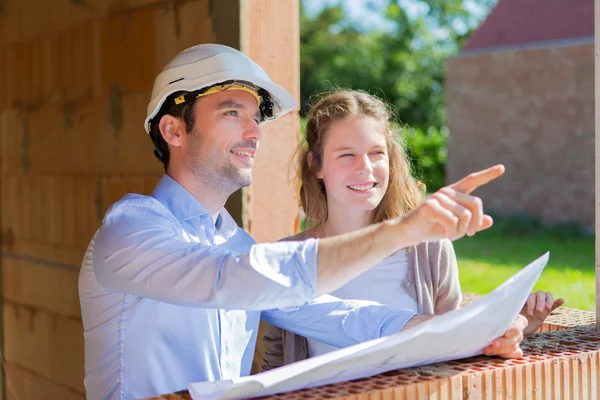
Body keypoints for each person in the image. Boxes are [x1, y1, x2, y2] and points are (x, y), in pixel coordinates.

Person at [78, 44, 527, 400]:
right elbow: (226, 280)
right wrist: (402, 231)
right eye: (232, 112)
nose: (254, 131)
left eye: (256, 118)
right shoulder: (129, 232)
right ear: (174, 131)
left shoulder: (234, 242)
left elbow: (336, 314)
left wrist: (473, 335)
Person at [261, 90, 564, 370]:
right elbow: (273, 369)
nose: (365, 167)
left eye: (377, 153)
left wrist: (517, 325)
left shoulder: (428, 249)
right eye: (346, 154)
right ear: (316, 165)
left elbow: (454, 345)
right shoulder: (287, 259)